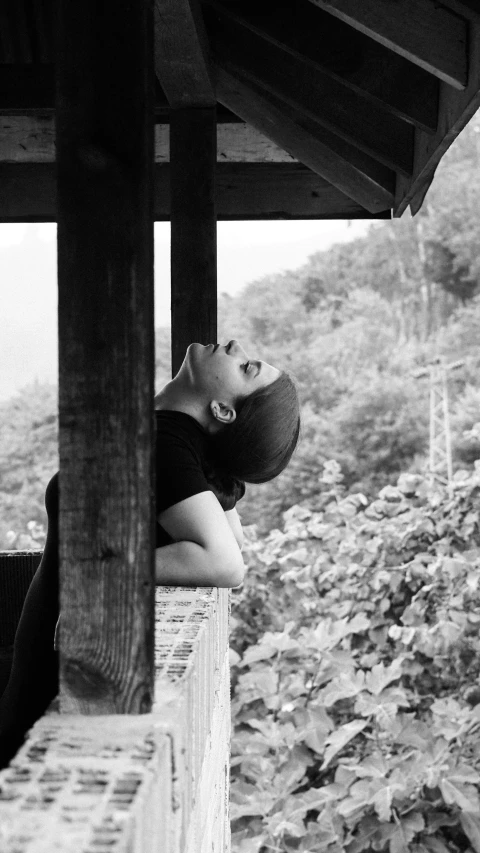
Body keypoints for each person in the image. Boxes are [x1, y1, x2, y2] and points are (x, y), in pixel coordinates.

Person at [0, 340, 300, 767]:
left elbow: (226, 561)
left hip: (58, 669)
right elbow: (230, 529)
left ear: (223, 411)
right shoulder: (176, 443)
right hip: (52, 659)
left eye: (246, 367)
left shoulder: (166, 445)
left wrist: (99, 568)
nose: (235, 347)